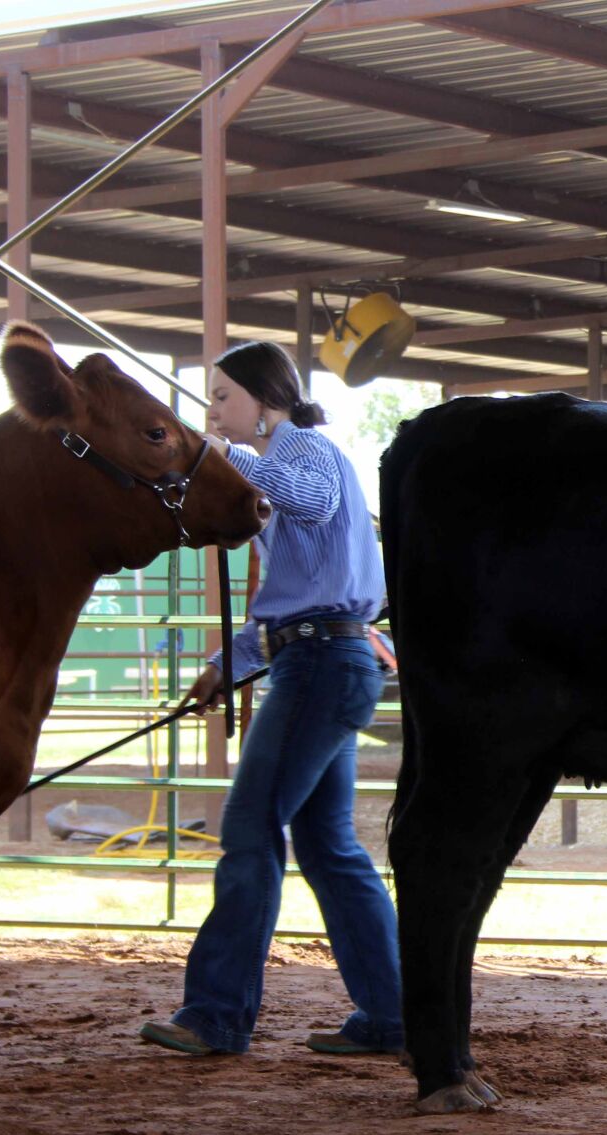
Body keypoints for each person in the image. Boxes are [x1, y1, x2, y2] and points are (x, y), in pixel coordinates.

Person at [139, 341, 400, 1057]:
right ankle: (394, 1014)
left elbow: (309, 503)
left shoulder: (305, 451)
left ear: (266, 398)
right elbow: (292, 604)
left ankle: (218, 1014)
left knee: (252, 830)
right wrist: (229, 662)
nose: (213, 410)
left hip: (320, 663)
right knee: (328, 848)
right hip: (322, 657)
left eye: (223, 396)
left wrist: (228, 454)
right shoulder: (289, 464)